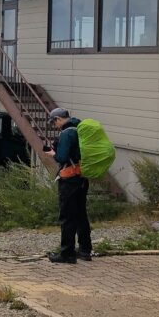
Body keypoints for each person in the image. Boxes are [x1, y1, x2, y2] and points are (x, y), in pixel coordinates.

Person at [45, 107, 92, 264]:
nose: (55, 126)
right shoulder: (80, 128)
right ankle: (85, 250)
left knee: (67, 216)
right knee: (81, 214)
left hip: (69, 178)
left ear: (58, 119)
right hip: (82, 177)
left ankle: (67, 254)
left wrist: (53, 154)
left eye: (54, 123)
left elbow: (62, 157)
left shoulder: (66, 133)